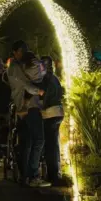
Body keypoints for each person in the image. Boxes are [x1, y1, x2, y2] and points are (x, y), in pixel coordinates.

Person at [7, 40, 50, 187]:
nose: (24, 52)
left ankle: (25, 176)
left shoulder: (20, 65)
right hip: (28, 108)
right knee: (38, 140)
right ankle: (32, 175)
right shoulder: (14, 67)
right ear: (15, 51)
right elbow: (26, 85)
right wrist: (39, 90)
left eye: (26, 49)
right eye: (22, 50)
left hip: (27, 107)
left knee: (27, 142)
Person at [41, 56, 64, 186]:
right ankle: (56, 173)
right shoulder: (55, 78)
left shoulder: (46, 79)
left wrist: (40, 106)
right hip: (58, 112)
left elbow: (45, 97)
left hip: (49, 113)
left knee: (49, 145)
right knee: (54, 144)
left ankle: (52, 175)